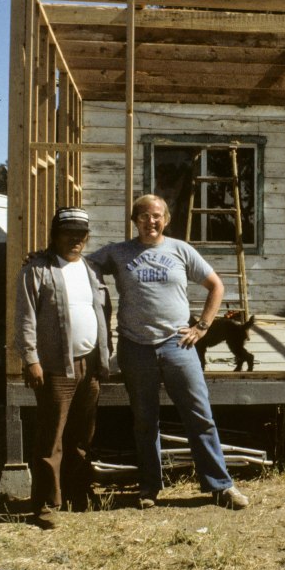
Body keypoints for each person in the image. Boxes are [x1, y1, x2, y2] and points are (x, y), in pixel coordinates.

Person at [88, 194, 249, 510]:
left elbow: (216, 286)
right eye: (144, 216)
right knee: (144, 421)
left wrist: (201, 327)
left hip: (178, 346)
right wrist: (46, 258)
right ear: (135, 219)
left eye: (157, 215)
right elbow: (81, 261)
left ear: (167, 219)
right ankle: (149, 487)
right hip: (135, 348)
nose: (151, 221)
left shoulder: (181, 250)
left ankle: (220, 486)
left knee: (200, 416)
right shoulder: (119, 253)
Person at [15, 207, 110, 529]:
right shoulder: (36, 270)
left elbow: (102, 315)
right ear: (54, 235)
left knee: (83, 437)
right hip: (55, 368)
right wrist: (31, 359)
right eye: (67, 233)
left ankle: (78, 494)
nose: (75, 239)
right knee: (50, 437)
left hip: (90, 365)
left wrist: (103, 359)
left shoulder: (92, 269)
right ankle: (45, 504)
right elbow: (25, 319)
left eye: (81, 234)